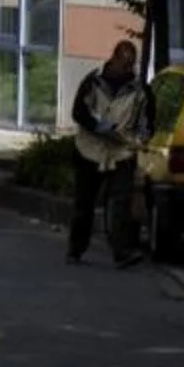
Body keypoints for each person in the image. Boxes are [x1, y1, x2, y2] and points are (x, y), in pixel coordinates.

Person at [66, 40, 148, 266]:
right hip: (89, 150)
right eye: (123, 63)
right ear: (113, 59)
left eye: (131, 64)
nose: (127, 68)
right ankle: (75, 249)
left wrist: (139, 138)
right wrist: (97, 126)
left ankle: (121, 252)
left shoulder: (138, 90)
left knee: (120, 204)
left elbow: (145, 121)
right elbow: (78, 111)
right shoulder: (93, 82)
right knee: (84, 204)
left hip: (121, 152)